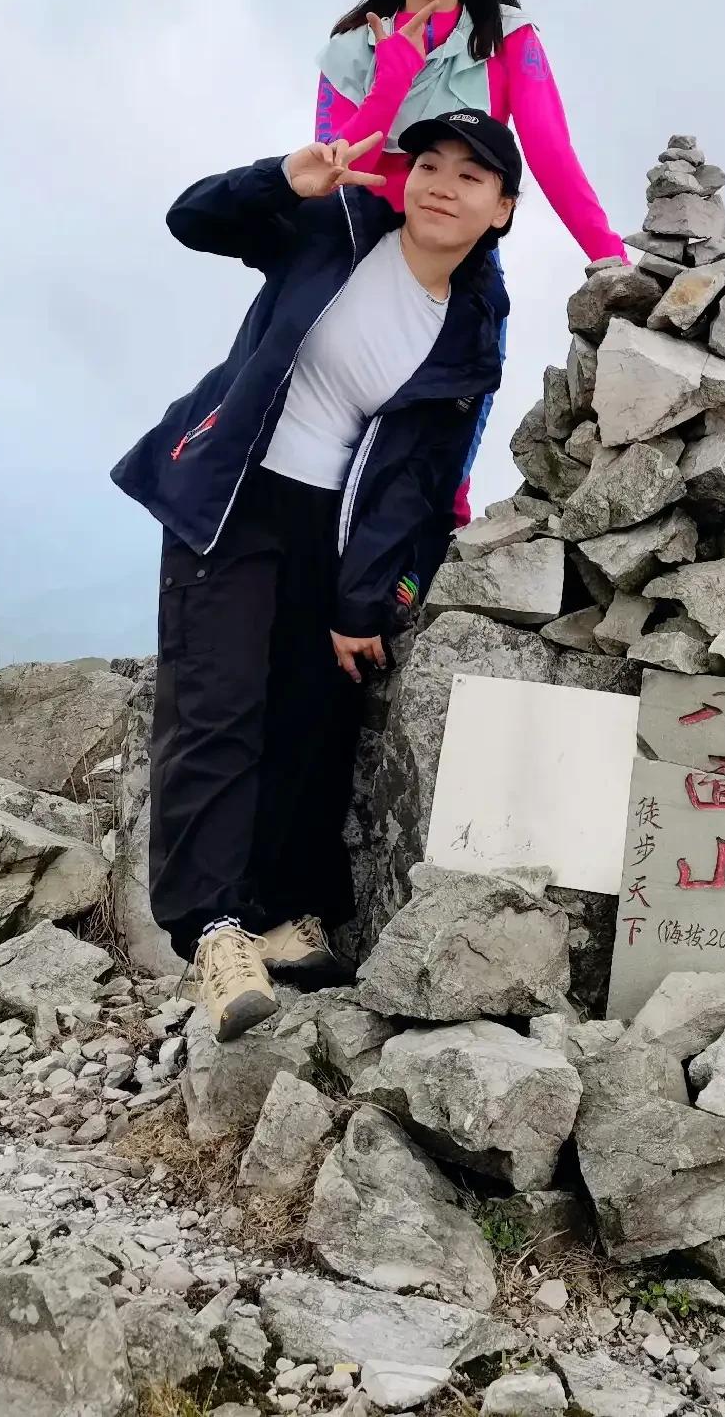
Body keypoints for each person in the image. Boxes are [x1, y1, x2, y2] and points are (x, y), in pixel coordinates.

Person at [111, 109, 518, 1040]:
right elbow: (192, 219)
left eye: (472, 176)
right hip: (234, 490)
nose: (443, 186)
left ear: (501, 210)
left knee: (311, 718)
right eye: (430, 164)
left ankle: (280, 917)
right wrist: (277, 180)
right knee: (216, 707)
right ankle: (214, 933)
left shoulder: (470, 335)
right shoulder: (336, 223)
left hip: (327, 527)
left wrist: (364, 602)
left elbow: (418, 484)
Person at [316, 0, 627, 521]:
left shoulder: (510, 39)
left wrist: (612, 264)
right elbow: (334, 168)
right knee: (325, 447)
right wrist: (391, 80)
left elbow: (551, 154)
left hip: (459, 268)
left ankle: (428, 568)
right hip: (356, 263)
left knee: (445, 458)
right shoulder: (349, 46)